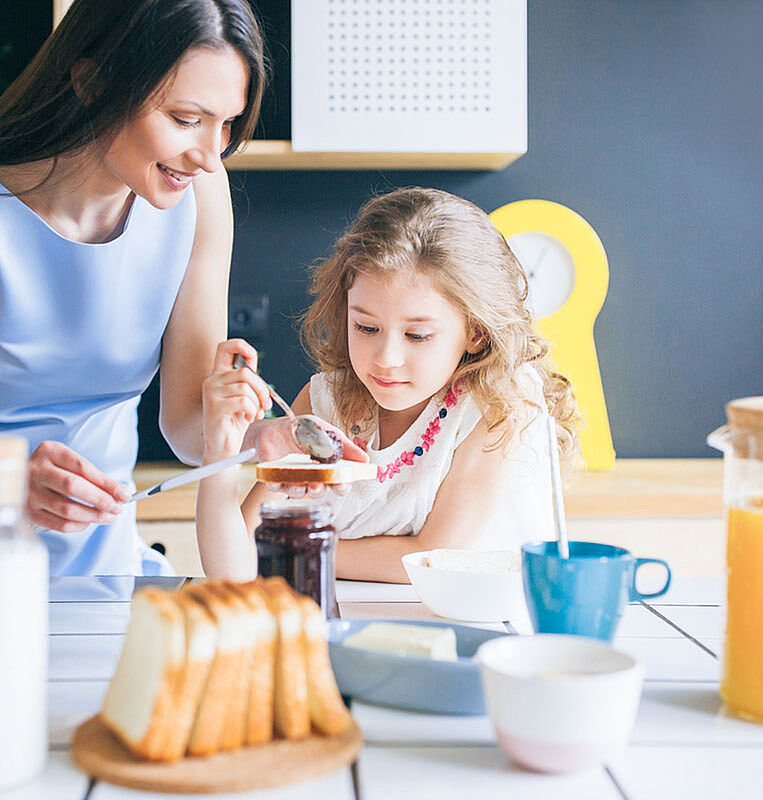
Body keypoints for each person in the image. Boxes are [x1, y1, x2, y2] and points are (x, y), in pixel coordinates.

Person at [0, 0, 278, 575]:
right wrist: (8, 486)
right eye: (184, 119)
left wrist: (263, 435)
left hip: (106, 577)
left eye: (226, 123)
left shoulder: (199, 199)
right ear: (92, 83)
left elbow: (185, 426)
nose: (208, 155)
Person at [197, 187, 581, 583]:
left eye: (416, 336)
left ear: (476, 333)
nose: (385, 357)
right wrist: (219, 452)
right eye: (366, 327)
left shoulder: (500, 404)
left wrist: (294, 545)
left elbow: (432, 557)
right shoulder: (325, 402)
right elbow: (236, 565)